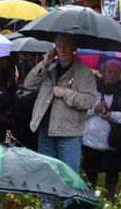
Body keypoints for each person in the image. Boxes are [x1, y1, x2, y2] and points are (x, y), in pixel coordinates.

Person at [24, 33, 97, 175]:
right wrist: (44, 63)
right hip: (46, 129)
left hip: (69, 133)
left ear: (74, 48)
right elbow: (28, 84)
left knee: (68, 175)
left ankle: (68, 198)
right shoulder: (49, 69)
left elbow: (89, 101)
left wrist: (66, 94)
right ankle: (48, 198)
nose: (62, 50)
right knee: (46, 174)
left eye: (66, 46)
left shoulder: (84, 73)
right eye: (59, 46)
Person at [81, 59, 121, 198]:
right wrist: (94, 109)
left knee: (112, 171)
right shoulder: (91, 89)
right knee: (90, 170)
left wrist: (112, 115)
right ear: (102, 72)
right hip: (91, 138)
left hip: (113, 140)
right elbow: (80, 111)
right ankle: (87, 197)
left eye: (116, 72)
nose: (112, 74)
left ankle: (109, 199)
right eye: (109, 71)